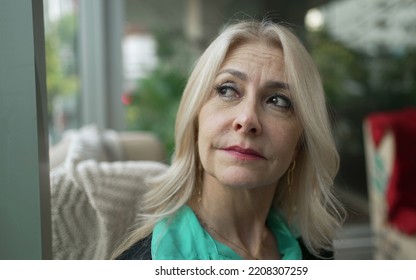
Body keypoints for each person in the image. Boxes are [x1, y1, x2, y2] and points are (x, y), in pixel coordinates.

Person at [113, 19, 345, 260]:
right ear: (196, 121)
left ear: (300, 143)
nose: (247, 119)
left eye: (278, 100)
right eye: (227, 90)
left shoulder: (316, 251)